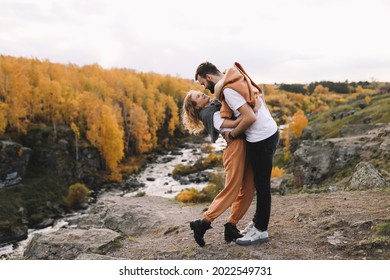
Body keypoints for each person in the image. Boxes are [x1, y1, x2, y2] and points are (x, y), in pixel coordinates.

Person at [195, 62, 280, 246]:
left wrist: (232, 134)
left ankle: (260, 230)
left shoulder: (228, 90)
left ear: (209, 78)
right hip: (263, 134)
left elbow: (249, 116)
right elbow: (253, 101)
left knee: (260, 186)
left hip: (260, 137)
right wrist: (255, 107)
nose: (204, 89)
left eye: (202, 84)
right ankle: (251, 224)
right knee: (250, 185)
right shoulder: (234, 79)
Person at [182, 90, 260, 247]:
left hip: (244, 145)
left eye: (200, 92)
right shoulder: (207, 113)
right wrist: (250, 113)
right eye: (198, 97)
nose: (202, 94)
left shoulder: (213, 105)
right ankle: (203, 222)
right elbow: (228, 124)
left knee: (249, 188)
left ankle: (231, 225)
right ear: (196, 107)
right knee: (232, 188)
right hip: (235, 147)